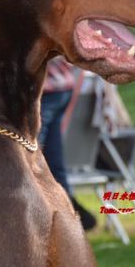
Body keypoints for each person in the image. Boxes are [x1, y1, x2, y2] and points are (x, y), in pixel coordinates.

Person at [40, 58, 96, 230]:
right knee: (53, 159)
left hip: (45, 90)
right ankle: (71, 216)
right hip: (64, 87)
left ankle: (53, 219)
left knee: (34, 160)